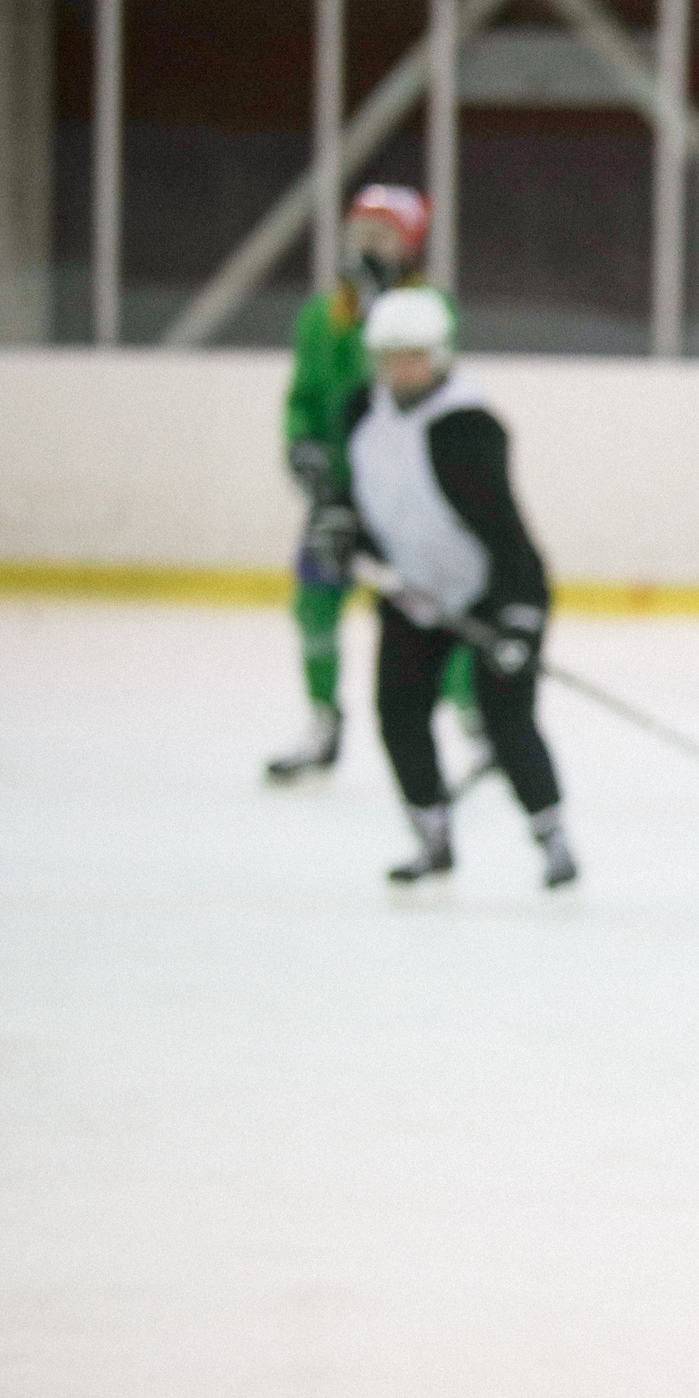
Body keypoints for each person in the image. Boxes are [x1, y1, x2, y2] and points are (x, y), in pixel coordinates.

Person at [316, 286, 576, 889]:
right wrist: (338, 526)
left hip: (495, 591)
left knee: (506, 717)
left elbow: (509, 536)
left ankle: (553, 838)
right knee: (399, 711)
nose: (401, 369)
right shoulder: (361, 411)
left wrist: (519, 622)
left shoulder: (468, 428)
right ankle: (431, 837)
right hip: (411, 592)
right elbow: (353, 498)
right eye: (390, 356)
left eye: (415, 356)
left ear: (440, 356)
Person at [265, 184, 481, 783]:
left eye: (383, 236)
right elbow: (305, 397)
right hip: (338, 495)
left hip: (405, 499)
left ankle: (476, 722)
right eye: (359, 234)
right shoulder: (320, 314)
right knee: (314, 601)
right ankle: (322, 721)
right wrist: (302, 448)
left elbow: (409, 393)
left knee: (437, 610)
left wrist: (379, 314)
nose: (368, 246)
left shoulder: (429, 310)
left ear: (410, 245)